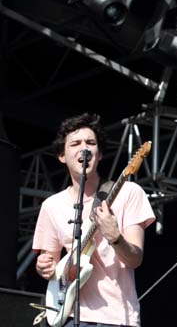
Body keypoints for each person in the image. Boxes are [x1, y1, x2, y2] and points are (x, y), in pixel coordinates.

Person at [33, 113, 155, 327]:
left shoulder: (128, 192)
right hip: (68, 316)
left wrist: (114, 237)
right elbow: (50, 266)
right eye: (75, 143)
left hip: (116, 318)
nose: (84, 148)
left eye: (91, 143)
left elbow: (135, 259)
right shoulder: (51, 206)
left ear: (99, 155)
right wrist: (44, 267)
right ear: (62, 155)